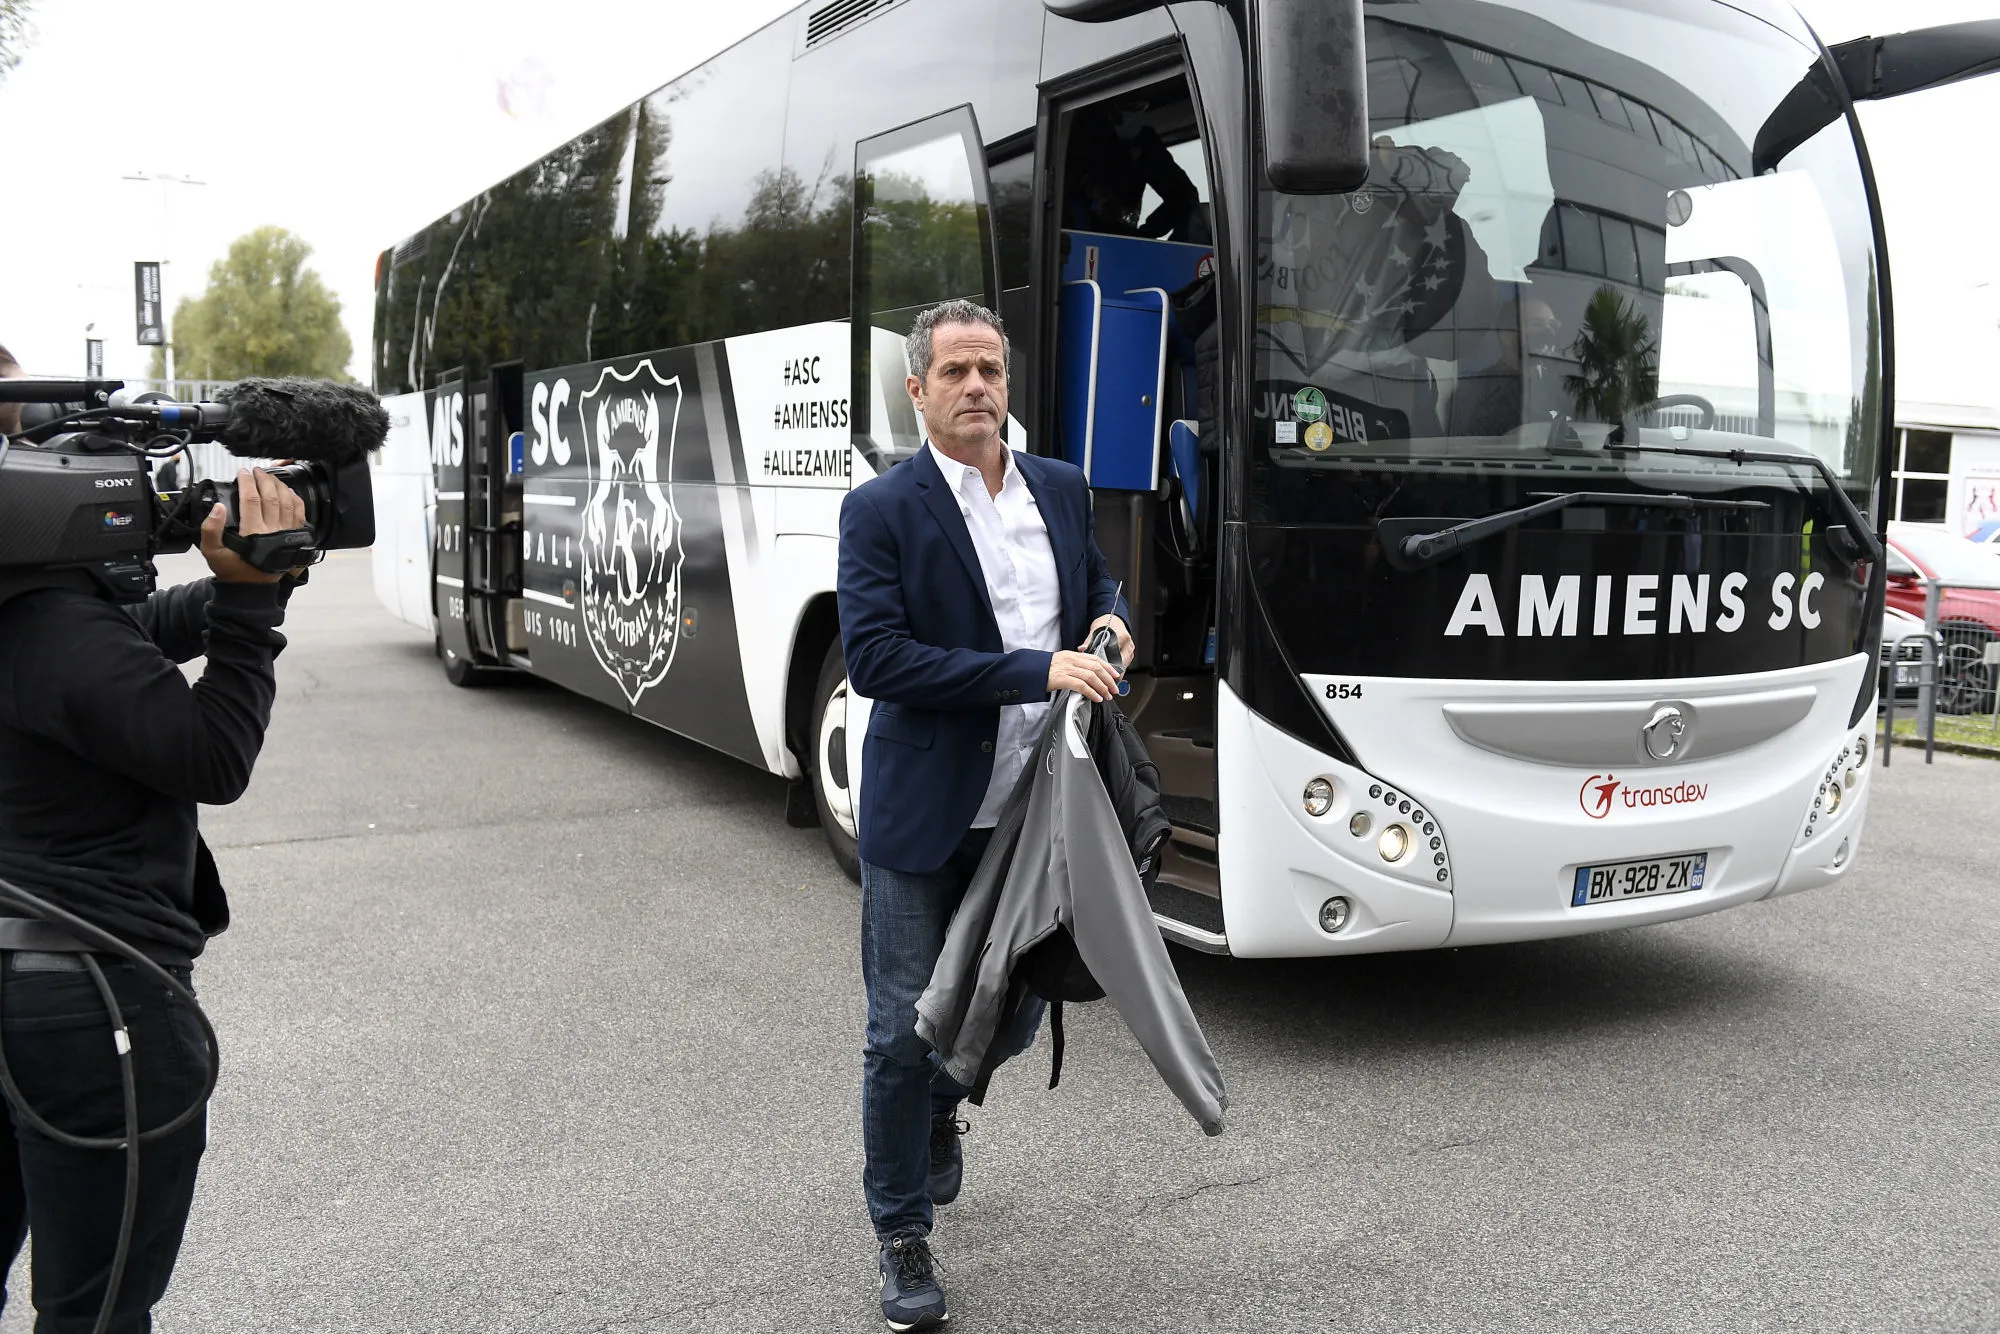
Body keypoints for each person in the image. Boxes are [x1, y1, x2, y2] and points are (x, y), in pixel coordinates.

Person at [0, 344, 311, 1330]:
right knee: (96, 1310)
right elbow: (212, 756)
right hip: (89, 1005)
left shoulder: (38, 606)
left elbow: (125, 634)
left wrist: (235, 582)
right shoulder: (48, 626)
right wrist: (253, 610)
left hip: (26, 977)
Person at [837, 300, 1131, 1331]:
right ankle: (902, 1231)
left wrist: (1108, 622)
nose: (976, 387)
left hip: (1035, 811)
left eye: (990, 370)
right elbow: (876, 658)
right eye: (955, 371)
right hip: (926, 812)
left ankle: (936, 1108)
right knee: (898, 1030)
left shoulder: (1057, 485)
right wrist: (1030, 668)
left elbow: (1097, 582)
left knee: (1019, 1009)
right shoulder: (881, 509)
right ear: (915, 389)